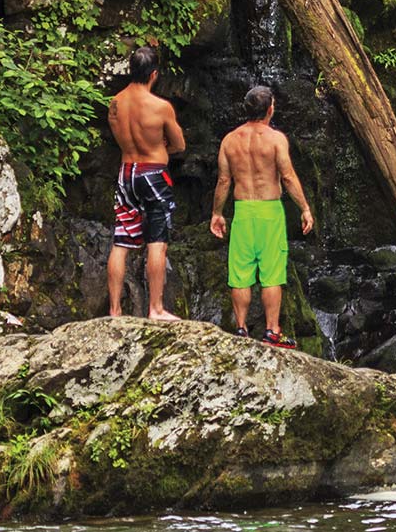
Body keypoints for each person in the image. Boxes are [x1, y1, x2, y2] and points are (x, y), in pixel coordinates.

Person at [210, 85, 315, 348]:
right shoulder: (276, 139)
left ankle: (242, 329)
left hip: (243, 209)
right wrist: (304, 208)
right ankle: (272, 331)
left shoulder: (229, 140)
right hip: (269, 210)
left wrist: (217, 213)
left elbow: (224, 180)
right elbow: (288, 177)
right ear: (270, 109)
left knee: (240, 272)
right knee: (271, 273)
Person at [106, 45, 186, 320]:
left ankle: (115, 310)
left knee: (121, 242)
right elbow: (179, 144)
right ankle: (156, 309)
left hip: (126, 172)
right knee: (157, 241)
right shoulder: (161, 107)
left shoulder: (115, 102)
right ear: (153, 74)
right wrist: (162, 146)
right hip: (153, 173)